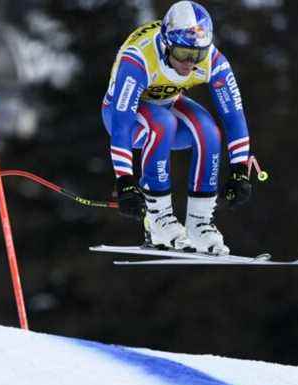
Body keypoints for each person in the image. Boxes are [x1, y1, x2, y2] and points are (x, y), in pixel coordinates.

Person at [102, 0, 253, 255]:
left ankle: (199, 223)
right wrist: (124, 180)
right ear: (166, 44)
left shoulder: (211, 60)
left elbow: (234, 115)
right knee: (163, 124)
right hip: (125, 117)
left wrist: (240, 169)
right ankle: (159, 219)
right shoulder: (139, 58)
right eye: (183, 54)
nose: (190, 64)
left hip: (167, 105)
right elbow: (121, 123)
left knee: (208, 131)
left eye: (198, 55)